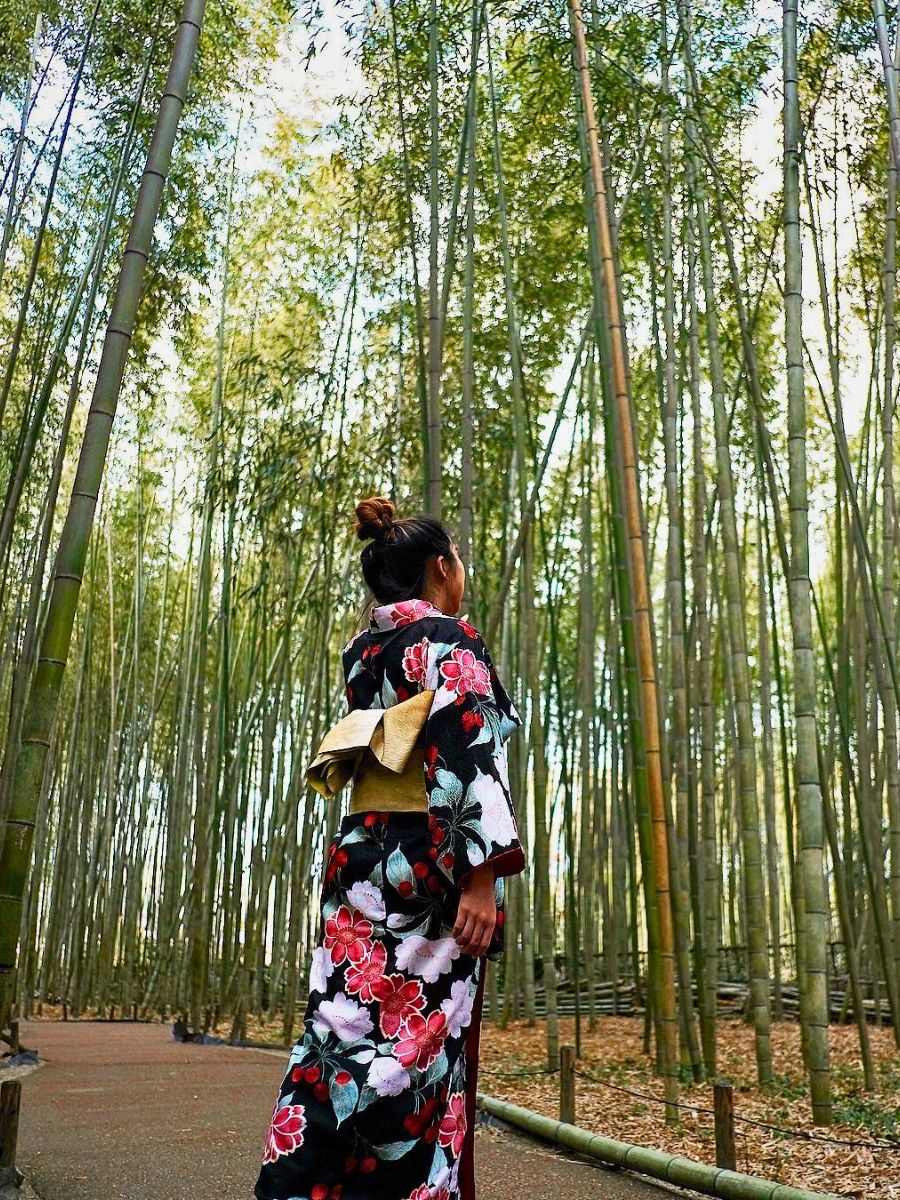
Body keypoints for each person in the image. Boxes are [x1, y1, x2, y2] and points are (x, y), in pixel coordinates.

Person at [254, 495, 526, 1200]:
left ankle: (303, 1180)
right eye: (457, 558)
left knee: (340, 1032)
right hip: (428, 864)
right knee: (422, 1043)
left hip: (360, 862)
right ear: (442, 569)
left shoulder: (363, 651)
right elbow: (466, 744)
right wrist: (480, 876)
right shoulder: (448, 643)